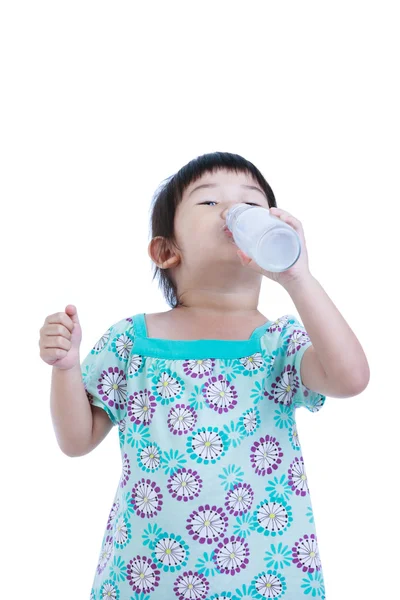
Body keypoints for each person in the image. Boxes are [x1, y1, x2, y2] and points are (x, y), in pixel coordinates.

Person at [41, 151, 369, 599]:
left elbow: (351, 378)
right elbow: (76, 441)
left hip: (264, 579)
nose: (234, 212)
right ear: (167, 250)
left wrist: (298, 279)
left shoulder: (279, 343)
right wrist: (66, 368)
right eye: (209, 203)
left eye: (251, 205)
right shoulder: (131, 341)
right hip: (146, 576)